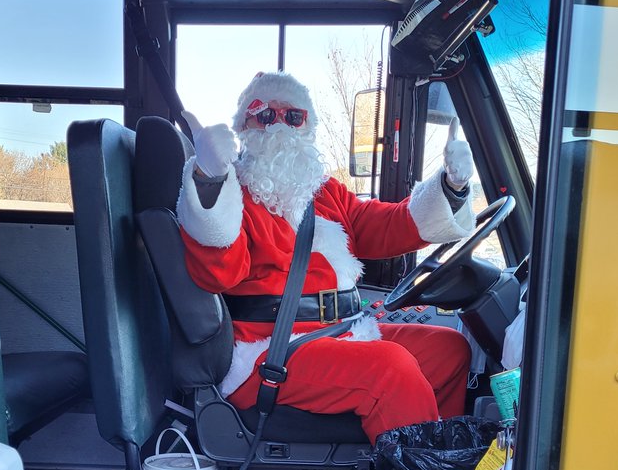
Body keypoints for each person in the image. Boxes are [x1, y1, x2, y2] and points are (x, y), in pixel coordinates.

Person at [176, 70, 475, 444]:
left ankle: (439, 464)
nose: (280, 125)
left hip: (342, 331)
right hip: (269, 349)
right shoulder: (235, 195)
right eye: (266, 115)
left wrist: (452, 189)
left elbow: (387, 225)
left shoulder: (327, 193)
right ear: (245, 126)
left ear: (307, 126)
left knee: (449, 350)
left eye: (293, 116)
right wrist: (207, 181)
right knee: (391, 370)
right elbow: (215, 273)